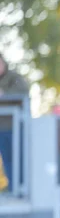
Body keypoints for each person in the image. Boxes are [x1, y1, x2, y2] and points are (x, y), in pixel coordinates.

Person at [0, 53, 29, 194]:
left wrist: (4, 94)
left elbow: (22, 93)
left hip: (15, 127)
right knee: (7, 161)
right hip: (1, 129)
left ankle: (23, 189)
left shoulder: (14, 78)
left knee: (20, 159)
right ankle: (13, 189)